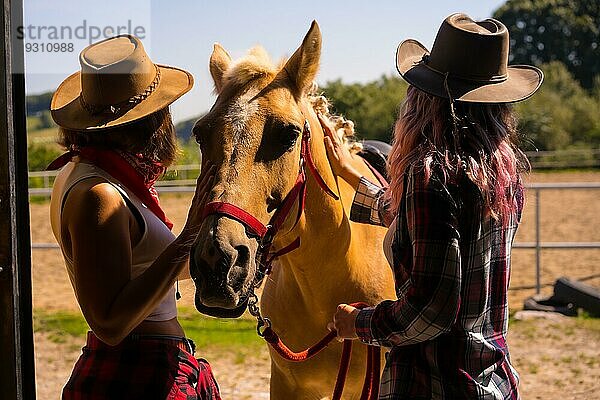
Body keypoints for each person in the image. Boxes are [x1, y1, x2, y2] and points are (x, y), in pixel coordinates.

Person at [324, 13, 543, 399]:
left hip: (432, 383)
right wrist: (349, 173)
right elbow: (427, 227)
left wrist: (358, 324)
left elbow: (430, 311)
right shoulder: (503, 174)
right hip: (491, 381)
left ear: (425, 98)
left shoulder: (433, 176)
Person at [48, 35, 220, 399]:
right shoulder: (100, 195)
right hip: (139, 373)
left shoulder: (99, 176)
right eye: (165, 109)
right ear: (151, 122)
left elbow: (145, 268)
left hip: (141, 366)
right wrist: (188, 234)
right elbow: (110, 322)